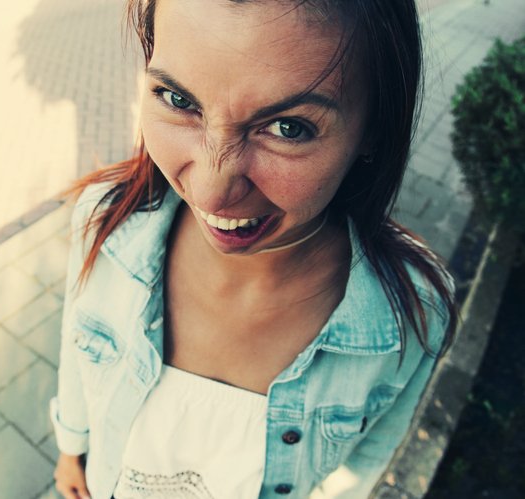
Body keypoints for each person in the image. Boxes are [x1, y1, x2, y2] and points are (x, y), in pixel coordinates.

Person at [50, 0, 457, 497]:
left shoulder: (411, 315)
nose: (210, 191)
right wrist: (72, 449)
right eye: (178, 99)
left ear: (375, 128)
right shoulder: (103, 222)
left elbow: (362, 467)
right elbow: (76, 352)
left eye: (288, 127)